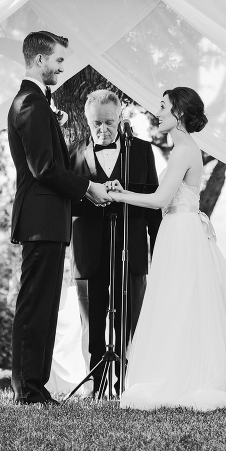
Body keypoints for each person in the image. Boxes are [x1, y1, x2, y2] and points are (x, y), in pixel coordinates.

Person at [110, 87, 226, 410]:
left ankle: (185, 375)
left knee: (180, 300)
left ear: (178, 112)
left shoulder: (183, 151)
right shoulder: (185, 148)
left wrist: (119, 195)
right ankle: (180, 368)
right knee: (179, 301)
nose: (157, 112)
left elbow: (161, 200)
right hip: (179, 229)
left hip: (181, 231)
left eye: (163, 106)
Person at [7, 31, 110, 405]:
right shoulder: (31, 104)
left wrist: (58, 125)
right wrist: (88, 188)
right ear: (39, 61)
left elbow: (49, 160)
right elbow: (44, 168)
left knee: (44, 303)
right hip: (40, 219)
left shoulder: (37, 104)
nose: (62, 68)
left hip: (47, 219)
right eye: (58, 61)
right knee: (36, 303)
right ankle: (28, 389)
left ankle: (33, 385)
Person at [69, 89, 160, 395]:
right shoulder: (72, 153)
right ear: (87, 119)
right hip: (87, 251)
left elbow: (153, 203)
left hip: (130, 248)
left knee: (130, 318)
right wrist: (90, 194)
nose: (103, 129)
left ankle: (126, 383)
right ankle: (95, 383)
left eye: (109, 122)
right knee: (91, 321)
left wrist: (158, 248)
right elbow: (65, 204)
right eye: (97, 123)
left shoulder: (143, 152)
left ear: (120, 117)